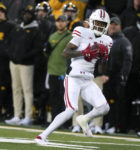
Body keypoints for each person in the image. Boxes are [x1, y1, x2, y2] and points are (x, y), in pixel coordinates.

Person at [35, 9, 112, 144]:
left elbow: (100, 69)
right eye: (97, 23)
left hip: (88, 79)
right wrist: (84, 52)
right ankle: (42, 135)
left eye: (102, 24)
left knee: (104, 108)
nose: (99, 27)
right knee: (71, 109)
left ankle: (84, 119)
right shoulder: (82, 31)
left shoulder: (107, 40)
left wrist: (104, 59)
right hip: (74, 77)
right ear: (91, 22)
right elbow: (65, 53)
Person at [5, 6, 42, 126]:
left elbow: (37, 49)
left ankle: (28, 116)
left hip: (27, 64)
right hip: (14, 63)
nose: (26, 16)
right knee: (16, 89)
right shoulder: (17, 28)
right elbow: (9, 43)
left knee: (27, 90)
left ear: (33, 16)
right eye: (25, 14)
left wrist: (24, 57)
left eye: (29, 14)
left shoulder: (35, 30)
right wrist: (11, 55)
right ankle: (17, 115)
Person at [103, 16, 133, 134]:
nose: (113, 26)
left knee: (118, 103)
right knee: (106, 102)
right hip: (107, 77)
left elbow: (128, 61)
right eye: (111, 24)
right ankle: (107, 123)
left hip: (118, 78)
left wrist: (123, 76)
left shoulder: (124, 42)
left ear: (120, 26)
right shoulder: (106, 40)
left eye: (115, 24)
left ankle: (116, 125)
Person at [46, 14, 72, 120]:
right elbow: (48, 53)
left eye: (62, 21)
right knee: (54, 97)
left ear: (66, 23)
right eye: (58, 21)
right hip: (52, 71)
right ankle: (54, 120)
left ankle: (65, 122)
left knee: (64, 98)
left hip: (64, 71)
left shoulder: (70, 36)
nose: (60, 23)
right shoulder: (52, 36)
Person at [0, 3, 14, 119]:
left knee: (5, 86)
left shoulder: (10, 26)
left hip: (5, 61)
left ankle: (8, 110)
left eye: (1, 11)